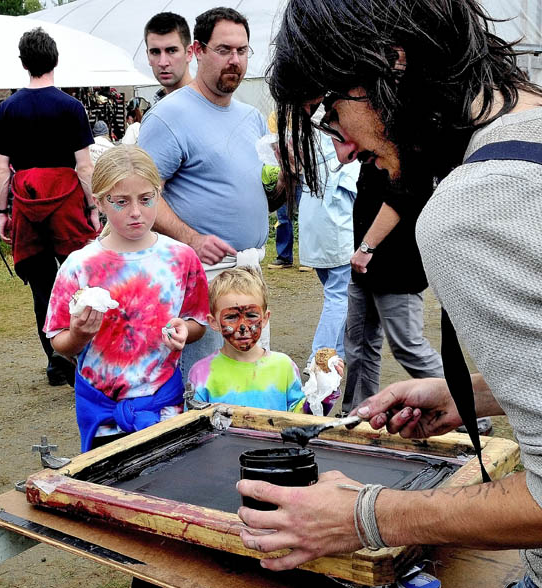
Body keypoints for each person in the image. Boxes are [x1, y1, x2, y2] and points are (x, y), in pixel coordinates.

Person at [236, 2, 542, 585]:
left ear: (391, 62)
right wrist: (473, 395)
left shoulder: (475, 206)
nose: (344, 149)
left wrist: (363, 515)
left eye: (329, 114)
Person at [44, 145, 208, 452]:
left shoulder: (181, 258)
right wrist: (79, 334)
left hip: (163, 404)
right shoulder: (79, 266)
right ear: (99, 202)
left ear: (159, 193)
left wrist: (186, 331)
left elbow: (198, 321)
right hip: (101, 409)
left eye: (146, 200)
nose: (136, 212)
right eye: (121, 202)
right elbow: (58, 339)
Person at [138, 7, 271, 380]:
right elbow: (144, 196)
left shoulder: (252, 117)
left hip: (249, 273)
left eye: (242, 51)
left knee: (250, 379)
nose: (235, 60)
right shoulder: (170, 116)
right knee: (206, 385)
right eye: (224, 50)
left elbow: (264, 193)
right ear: (198, 51)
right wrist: (191, 238)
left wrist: (283, 180)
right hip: (201, 277)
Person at [0, 27, 100, 387]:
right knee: (80, 280)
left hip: (25, 201)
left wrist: (2, 213)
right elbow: (84, 166)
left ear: (24, 63)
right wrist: (93, 208)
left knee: (42, 288)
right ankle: (80, 354)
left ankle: (56, 360)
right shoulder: (71, 108)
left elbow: (1, 168)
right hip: (67, 202)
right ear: (55, 60)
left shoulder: (6, 110)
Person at [341, 164, 444, 413]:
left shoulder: (410, 152)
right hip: (364, 269)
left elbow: (401, 197)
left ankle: (468, 412)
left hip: (398, 270)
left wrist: (367, 248)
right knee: (359, 344)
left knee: (408, 346)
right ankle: (357, 413)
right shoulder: (371, 151)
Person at [188, 267, 338, 414]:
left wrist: (326, 389)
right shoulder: (202, 373)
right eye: (231, 317)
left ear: (265, 318)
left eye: (251, 316)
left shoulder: (283, 367)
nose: (243, 327)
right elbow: (192, 428)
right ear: (214, 322)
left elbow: (301, 420)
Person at [296, 132, 360, 364]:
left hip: (315, 235)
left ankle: (338, 354)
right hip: (338, 234)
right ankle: (319, 357)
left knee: (336, 294)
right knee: (339, 296)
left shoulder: (313, 149)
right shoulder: (345, 158)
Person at [143, 11, 194, 104]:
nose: (163, 63)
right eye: (155, 52)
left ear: (189, 53)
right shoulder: (157, 103)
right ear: (148, 56)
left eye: (172, 51)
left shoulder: (207, 105)